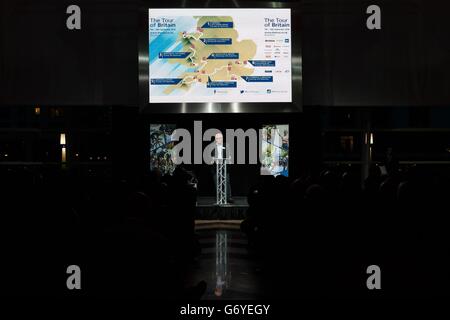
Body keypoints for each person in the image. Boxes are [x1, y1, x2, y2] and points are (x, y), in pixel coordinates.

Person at [211, 132, 233, 203]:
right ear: (215, 139)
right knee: (217, 183)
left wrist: (229, 158)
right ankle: (219, 197)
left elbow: (230, 156)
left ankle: (228, 197)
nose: (219, 139)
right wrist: (212, 159)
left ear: (222, 138)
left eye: (220, 138)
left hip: (225, 167)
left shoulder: (227, 146)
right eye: (217, 138)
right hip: (215, 168)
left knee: (227, 182)